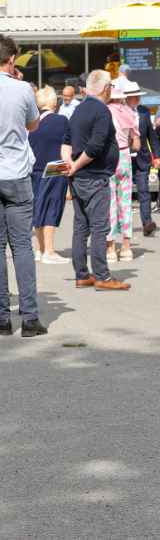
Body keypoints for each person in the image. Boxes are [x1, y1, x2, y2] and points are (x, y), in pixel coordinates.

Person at [61, 69, 130, 291]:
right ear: (104, 88)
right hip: (94, 176)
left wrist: (69, 164)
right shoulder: (101, 110)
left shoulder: (79, 109)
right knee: (100, 226)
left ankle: (82, 274)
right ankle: (102, 276)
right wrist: (76, 165)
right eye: (110, 86)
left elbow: (67, 141)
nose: (111, 90)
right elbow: (95, 146)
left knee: (81, 226)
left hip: (80, 177)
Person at [0, 34, 47, 337]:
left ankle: (2, 318)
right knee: (22, 247)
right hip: (16, 173)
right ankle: (29, 317)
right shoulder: (22, 90)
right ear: (12, 59)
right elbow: (33, 125)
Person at [29, 86, 71, 265]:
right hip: (56, 165)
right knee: (52, 207)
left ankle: (40, 249)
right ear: (54, 102)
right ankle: (50, 250)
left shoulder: (31, 122)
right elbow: (67, 146)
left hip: (35, 168)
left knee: (38, 207)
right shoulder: (61, 120)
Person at [105, 81, 139, 262]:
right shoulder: (130, 113)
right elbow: (137, 143)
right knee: (125, 202)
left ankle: (110, 247)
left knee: (109, 202)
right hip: (125, 155)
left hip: (109, 157)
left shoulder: (105, 112)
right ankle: (126, 246)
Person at [125, 81, 160, 236]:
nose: (137, 99)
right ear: (127, 98)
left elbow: (152, 136)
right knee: (124, 194)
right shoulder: (119, 112)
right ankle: (123, 226)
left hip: (142, 157)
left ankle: (147, 223)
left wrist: (157, 154)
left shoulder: (144, 112)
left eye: (138, 96)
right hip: (124, 157)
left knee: (143, 191)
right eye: (134, 96)